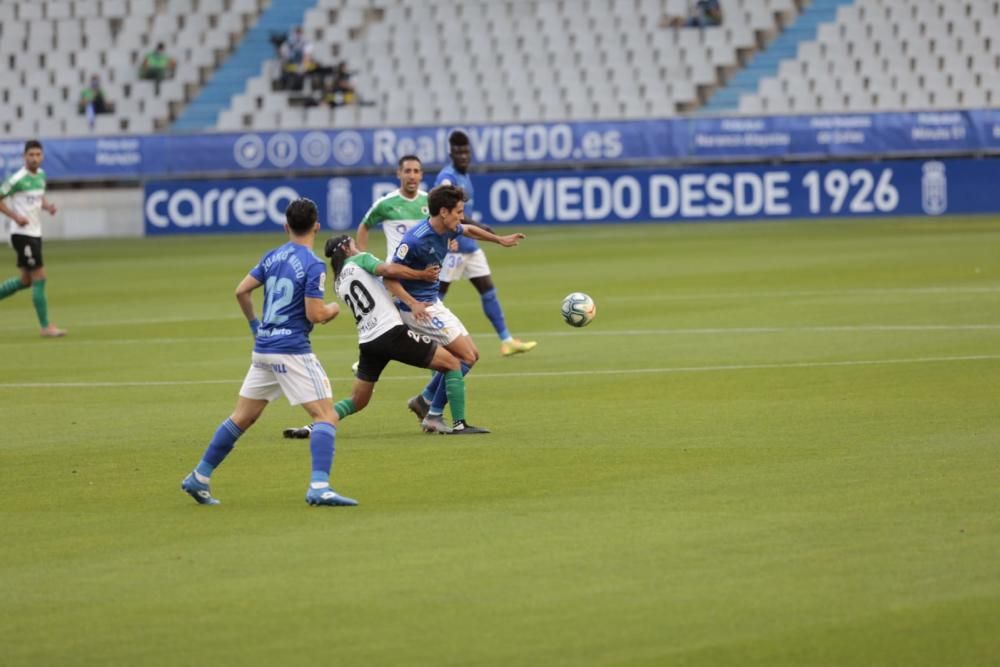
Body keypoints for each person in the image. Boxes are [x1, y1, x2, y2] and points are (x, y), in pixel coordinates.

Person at [180, 198, 357, 507]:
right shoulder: (313, 264)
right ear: (316, 226)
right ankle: (319, 486)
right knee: (326, 415)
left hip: (264, 348)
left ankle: (199, 477)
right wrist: (332, 309)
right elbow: (315, 314)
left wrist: (254, 326)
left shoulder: (273, 256)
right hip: (291, 350)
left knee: (242, 417)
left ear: (286, 226)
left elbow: (241, 291)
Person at [282, 235, 486, 439]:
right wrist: (421, 274)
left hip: (368, 342)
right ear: (346, 247)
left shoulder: (338, 282)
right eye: (353, 242)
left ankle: (313, 427)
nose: (357, 246)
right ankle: (457, 423)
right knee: (453, 363)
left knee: (357, 400)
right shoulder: (360, 259)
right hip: (391, 333)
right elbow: (388, 271)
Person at [393, 184, 526, 434]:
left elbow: (469, 230)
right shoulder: (414, 240)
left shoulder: (449, 227)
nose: (461, 217)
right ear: (443, 212)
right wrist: (412, 303)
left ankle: (425, 402)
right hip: (419, 308)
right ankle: (436, 417)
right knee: (466, 357)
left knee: (470, 356)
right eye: (458, 211)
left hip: (433, 303)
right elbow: (390, 276)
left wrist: (499, 240)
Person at [434, 131, 537, 358]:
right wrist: (481, 227)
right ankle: (425, 340)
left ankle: (507, 340)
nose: (463, 156)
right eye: (458, 152)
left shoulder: (463, 175)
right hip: (452, 247)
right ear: (451, 153)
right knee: (435, 298)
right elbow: (449, 212)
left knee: (488, 291)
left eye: (466, 151)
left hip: (469, 246)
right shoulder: (446, 178)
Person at [0, 140, 65, 338]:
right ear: (24, 156)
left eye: (38, 155)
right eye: (31, 155)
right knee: (40, 276)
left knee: (26, 280)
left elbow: (38, 198)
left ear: (42, 156)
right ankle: (46, 327)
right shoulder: (17, 178)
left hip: (35, 233)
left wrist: (47, 206)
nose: (35, 158)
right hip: (22, 234)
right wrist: (16, 217)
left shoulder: (42, 176)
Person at [356, 154, 428, 258]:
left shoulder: (429, 201)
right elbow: (364, 226)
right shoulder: (385, 203)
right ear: (399, 173)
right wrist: (362, 256)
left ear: (421, 175)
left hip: (423, 269)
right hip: (395, 269)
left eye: (416, 171)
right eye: (407, 171)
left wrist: (449, 241)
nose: (412, 176)